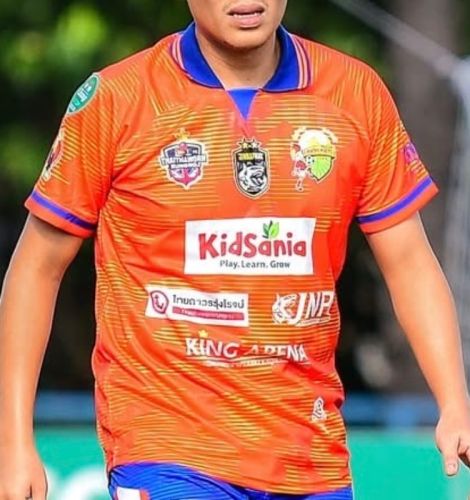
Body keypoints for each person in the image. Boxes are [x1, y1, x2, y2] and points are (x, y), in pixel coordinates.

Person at [1, 1, 469, 499]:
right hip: (167, 445)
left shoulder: (354, 92)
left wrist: (454, 401)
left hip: (309, 453)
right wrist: (12, 442)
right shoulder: (119, 98)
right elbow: (36, 268)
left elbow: (409, 261)